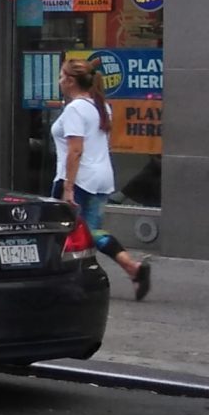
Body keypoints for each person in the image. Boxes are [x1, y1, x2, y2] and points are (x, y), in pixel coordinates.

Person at [54, 58, 149, 300]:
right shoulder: (101, 106)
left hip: (79, 177)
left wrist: (68, 187)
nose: (59, 81)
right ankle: (132, 267)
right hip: (101, 177)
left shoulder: (75, 109)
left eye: (62, 76)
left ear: (71, 81)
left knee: (63, 231)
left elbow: (75, 150)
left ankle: (69, 282)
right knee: (90, 231)